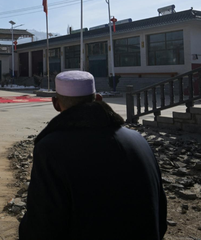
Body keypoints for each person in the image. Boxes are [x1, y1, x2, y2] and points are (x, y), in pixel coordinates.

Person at [19, 70, 167, 240]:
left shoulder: (51, 149)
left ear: (56, 104)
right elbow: (159, 212)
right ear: (98, 99)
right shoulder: (138, 140)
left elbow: (42, 225)